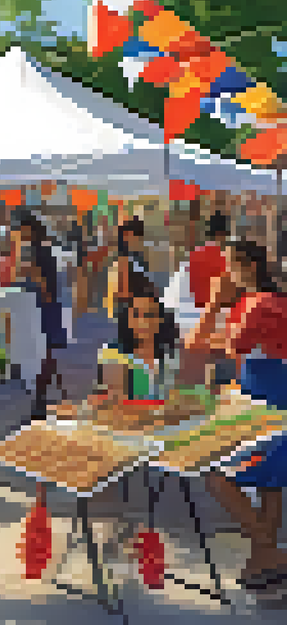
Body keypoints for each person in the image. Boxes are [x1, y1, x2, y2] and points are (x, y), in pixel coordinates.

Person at [189, 240, 287, 591]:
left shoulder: (258, 304)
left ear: (245, 267)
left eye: (227, 265)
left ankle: (274, 554)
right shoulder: (269, 302)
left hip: (265, 411)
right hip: (274, 406)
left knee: (219, 477)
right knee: (269, 485)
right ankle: (261, 563)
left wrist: (215, 302)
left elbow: (199, 342)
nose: (223, 273)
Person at [17, 213, 68, 419]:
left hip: (43, 307)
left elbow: (41, 282)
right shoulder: (44, 249)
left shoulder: (34, 251)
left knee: (43, 353)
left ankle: (41, 399)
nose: (19, 233)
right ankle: (48, 395)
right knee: (47, 353)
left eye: (21, 229)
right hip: (49, 306)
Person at [165, 212, 230, 341]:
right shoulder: (228, 259)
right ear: (224, 234)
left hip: (194, 318)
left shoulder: (192, 257)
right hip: (220, 319)